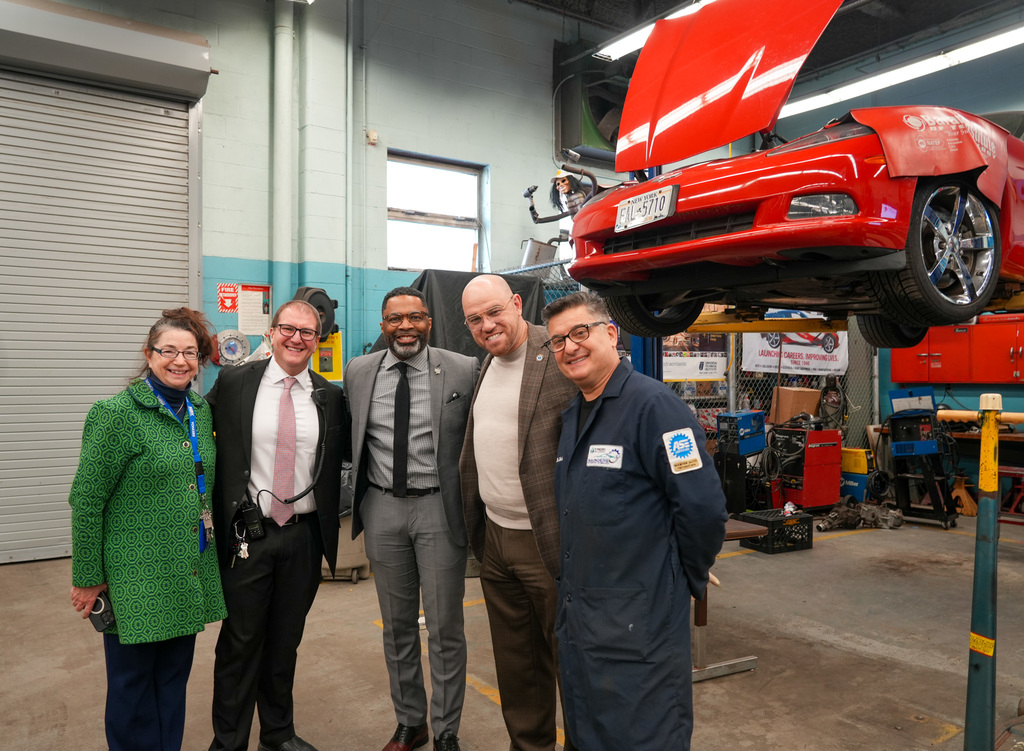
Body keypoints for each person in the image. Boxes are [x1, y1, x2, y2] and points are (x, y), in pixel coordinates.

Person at [541, 291, 729, 751]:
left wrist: (680, 576)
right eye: (558, 341)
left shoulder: (654, 407)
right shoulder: (575, 414)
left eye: (579, 333)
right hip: (584, 617)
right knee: (590, 730)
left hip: (641, 622)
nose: (569, 347)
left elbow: (702, 507)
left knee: (644, 732)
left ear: (611, 332)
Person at [68, 307, 227, 751]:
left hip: (186, 571)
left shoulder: (198, 409)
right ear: (149, 354)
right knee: (132, 686)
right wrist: (87, 577)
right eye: (168, 351)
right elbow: (86, 501)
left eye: (190, 353)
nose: (180, 361)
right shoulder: (115, 413)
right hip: (134, 577)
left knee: (173, 684)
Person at [206, 299, 348, 751]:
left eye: (308, 332)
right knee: (241, 642)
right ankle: (228, 741)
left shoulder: (329, 395)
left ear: (318, 340)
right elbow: (188, 425)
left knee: (285, 641)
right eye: (288, 328)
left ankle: (278, 733)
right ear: (271, 332)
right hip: (249, 534)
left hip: (304, 537)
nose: (297, 339)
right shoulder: (234, 383)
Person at [345, 287, 479, 751]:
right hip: (382, 508)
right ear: (382, 324)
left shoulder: (462, 368)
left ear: (429, 322)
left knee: (444, 628)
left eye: (416, 317)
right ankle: (411, 722)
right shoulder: (359, 371)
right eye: (395, 318)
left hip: (440, 508)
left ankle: (446, 731)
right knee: (396, 624)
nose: (406, 326)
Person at [459, 274, 578, 751]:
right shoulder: (486, 364)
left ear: (516, 302)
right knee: (518, 664)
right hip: (496, 538)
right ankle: (529, 745)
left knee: (571, 658)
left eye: (494, 312)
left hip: (549, 538)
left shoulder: (560, 351)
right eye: (474, 319)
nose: (487, 325)